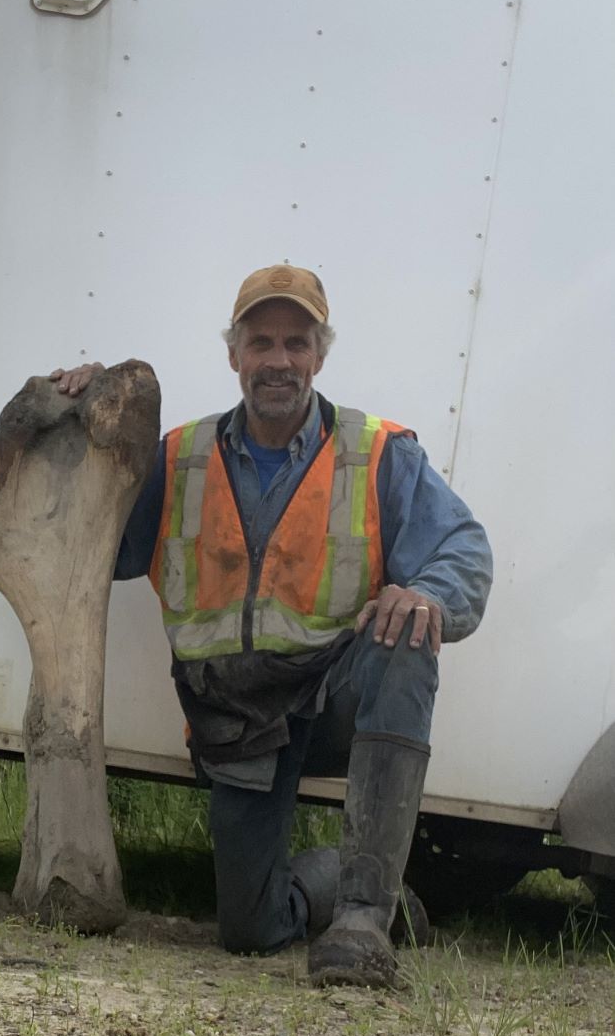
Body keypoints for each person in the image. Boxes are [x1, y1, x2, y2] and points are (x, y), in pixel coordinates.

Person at [51, 265, 492, 986]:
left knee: (407, 633)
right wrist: (87, 415)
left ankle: (361, 918)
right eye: (262, 343)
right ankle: (336, 881)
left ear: (320, 355)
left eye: (296, 343)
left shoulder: (378, 452)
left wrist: (428, 594)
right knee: (249, 933)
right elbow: (102, 544)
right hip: (238, 722)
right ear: (234, 356)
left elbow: (463, 549)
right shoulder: (176, 459)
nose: (278, 361)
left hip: (335, 700)